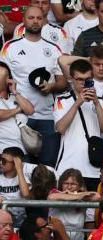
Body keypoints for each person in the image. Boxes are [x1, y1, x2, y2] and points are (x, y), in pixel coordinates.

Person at [1, 5, 67, 167]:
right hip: (20, 117)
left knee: (48, 168)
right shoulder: (10, 47)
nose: (35, 21)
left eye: (39, 18)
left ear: (44, 20)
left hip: (48, 117)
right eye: (31, 18)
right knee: (22, 167)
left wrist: (51, 86)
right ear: (23, 20)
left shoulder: (54, 49)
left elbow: (63, 83)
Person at [54, 59, 103, 190]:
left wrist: (96, 103)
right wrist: (78, 102)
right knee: (68, 210)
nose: (83, 83)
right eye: (79, 79)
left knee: (92, 209)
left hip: (94, 169)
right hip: (68, 167)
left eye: (87, 79)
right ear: (71, 79)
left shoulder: (100, 101)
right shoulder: (61, 99)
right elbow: (60, 129)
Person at [0, 59, 36, 154]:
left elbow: (30, 110)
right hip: (4, 152)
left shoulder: (16, 96)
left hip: (23, 150)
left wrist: (15, 92)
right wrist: (19, 109)